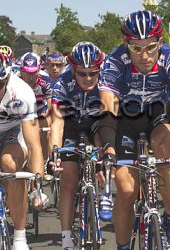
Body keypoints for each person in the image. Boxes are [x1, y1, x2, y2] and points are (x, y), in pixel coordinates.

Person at [97, 10, 170, 250]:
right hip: (125, 121)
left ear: (160, 43)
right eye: (136, 48)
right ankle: (123, 245)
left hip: (157, 116)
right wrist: (109, 148)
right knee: (125, 189)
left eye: (150, 47)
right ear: (126, 44)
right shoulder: (114, 60)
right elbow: (108, 109)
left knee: (167, 150)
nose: (144, 56)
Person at [48, 42, 112, 250]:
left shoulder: (106, 82)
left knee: (103, 141)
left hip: (96, 125)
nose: (88, 78)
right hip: (71, 127)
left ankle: (105, 191)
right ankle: (66, 238)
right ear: (73, 70)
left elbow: (111, 119)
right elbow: (57, 123)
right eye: (82, 73)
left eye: (93, 73)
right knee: (68, 180)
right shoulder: (62, 84)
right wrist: (54, 154)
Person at [0, 47, 46, 250]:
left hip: (10, 132)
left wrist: (37, 184)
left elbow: (33, 144)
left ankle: (19, 237)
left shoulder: (21, 92)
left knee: (10, 165)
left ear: (7, 80)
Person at [19, 52, 52, 179]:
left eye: (33, 72)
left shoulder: (45, 81)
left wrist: (45, 117)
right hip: (22, 112)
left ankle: (44, 161)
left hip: (40, 110)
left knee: (44, 129)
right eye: (26, 72)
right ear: (21, 71)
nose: (30, 76)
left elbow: (50, 107)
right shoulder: (15, 81)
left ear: (39, 70)